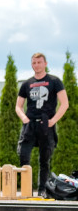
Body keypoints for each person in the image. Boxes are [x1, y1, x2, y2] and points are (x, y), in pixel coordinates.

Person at [15, 52, 69, 196]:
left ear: (45, 64)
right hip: (30, 124)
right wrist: (24, 119)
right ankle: (26, 190)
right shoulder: (27, 83)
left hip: (46, 124)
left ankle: (42, 190)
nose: (36, 65)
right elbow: (18, 106)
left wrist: (53, 121)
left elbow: (65, 104)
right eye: (34, 62)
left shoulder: (54, 81)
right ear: (31, 64)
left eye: (39, 62)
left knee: (44, 159)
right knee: (24, 156)